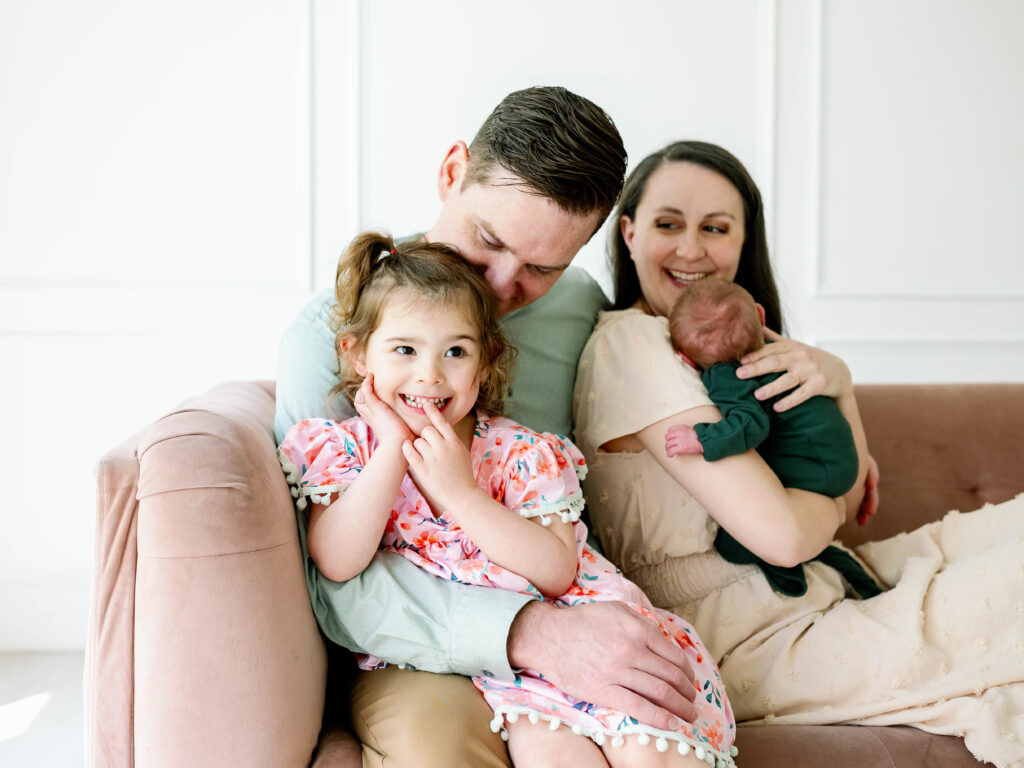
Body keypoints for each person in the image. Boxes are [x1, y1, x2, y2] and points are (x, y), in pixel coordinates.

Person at [275, 87, 699, 768]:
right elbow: (328, 579)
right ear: (451, 173)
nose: (501, 286)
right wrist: (530, 634)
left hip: (567, 593)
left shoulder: (578, 308)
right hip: (416, 651)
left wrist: (819, 385)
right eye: (489, 239)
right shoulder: (337, 336)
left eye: (541, 269)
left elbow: (689, 343)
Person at [573, 139, 1024, 768]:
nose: (691, 248)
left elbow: (851, 481)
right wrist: (830, 504)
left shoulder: (741, 347)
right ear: (628, 231)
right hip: (750, 636)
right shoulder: (633, 344)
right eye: (668, 224)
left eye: (716, 228)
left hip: (823, 582)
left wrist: (836, 378)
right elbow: (787, 534)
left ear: (742, 240)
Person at [664, 277, 879, 598]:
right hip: (839, 458)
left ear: (686, 360)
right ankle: (827, 562)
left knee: (733, 543)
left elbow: (751, 425)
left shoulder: (725, 375)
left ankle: (787, 572)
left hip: (819, 470)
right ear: (761, 318)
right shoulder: (785, 356)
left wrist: (702, 439)